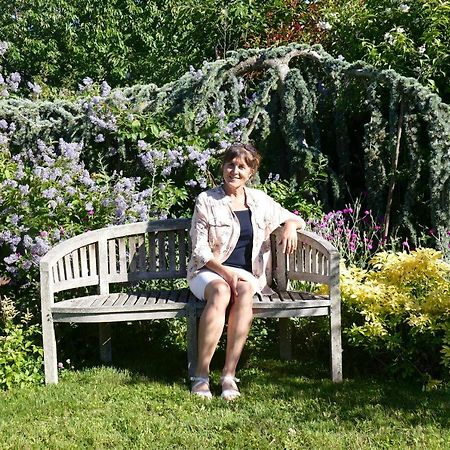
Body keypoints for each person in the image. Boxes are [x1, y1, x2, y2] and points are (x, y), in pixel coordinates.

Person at [187, 143, 306, 400]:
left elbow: (294, 217)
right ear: (223, 167)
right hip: (208, 272)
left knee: (244, 291)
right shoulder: (206, 200)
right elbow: (200, 251)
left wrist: (290, 226)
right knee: (220, 291)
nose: (234, 171)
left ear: (251, 172)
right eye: (230, 165)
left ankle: (229, 376)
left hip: (247, 275)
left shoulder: (260, 201)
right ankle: (201, 374)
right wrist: (225, 273)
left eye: (241, 167)